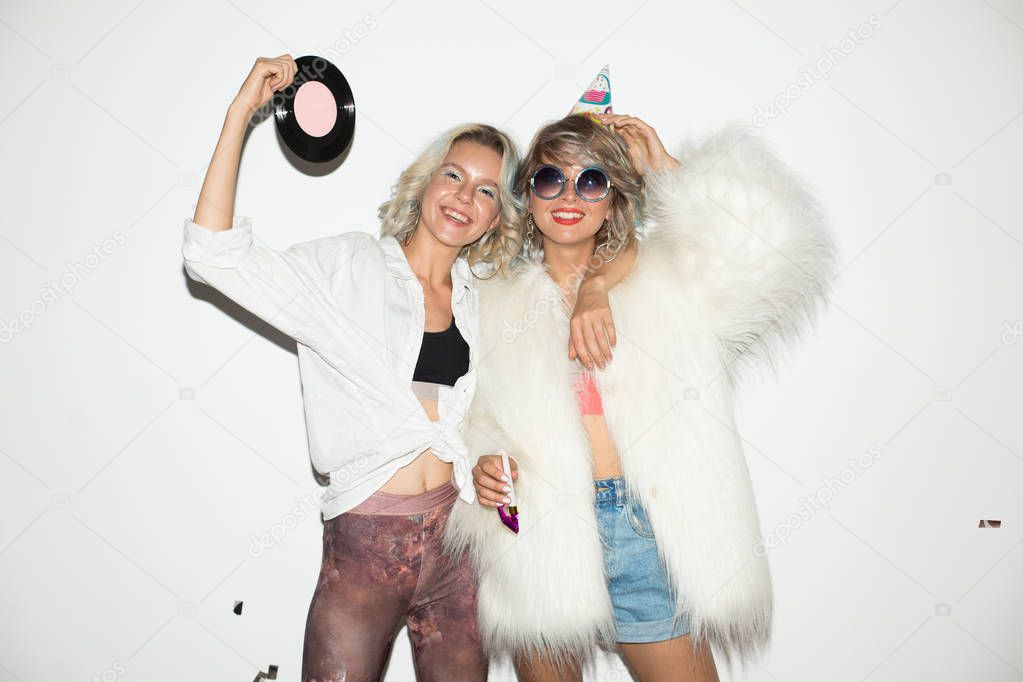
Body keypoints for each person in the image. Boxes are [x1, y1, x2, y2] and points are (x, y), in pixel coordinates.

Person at [444, 112, 837, 681]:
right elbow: (465, 413)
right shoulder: (488, 301)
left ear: (614, 198)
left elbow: (768, 249)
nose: (569, 195)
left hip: (650, 532)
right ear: (527, 196)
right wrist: (481, 459)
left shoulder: (669, 280)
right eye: (550, 179)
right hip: (539, 536)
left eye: (592, 180)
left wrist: (666, 170)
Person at [181, 54, 532, 681]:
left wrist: (484, 459)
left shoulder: (480, 299)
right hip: (365, 552)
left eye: (486, 190)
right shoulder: (347, 269)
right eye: (453, 175)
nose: (464, 197)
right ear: (426, 180)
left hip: (458, 553)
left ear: (496, 216)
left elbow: (461, 414)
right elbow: (213, 255)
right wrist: (241, 114)